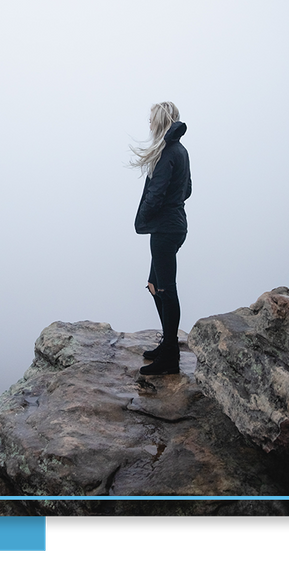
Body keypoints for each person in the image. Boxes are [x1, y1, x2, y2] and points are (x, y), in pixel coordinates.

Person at [129, 101, 192, 375]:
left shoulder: (168, 151)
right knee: (155, 285)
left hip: (165, 230)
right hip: (174, 226)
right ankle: (168, 344)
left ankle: (170, 356)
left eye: (151, 119)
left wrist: (146, 215)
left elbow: (157, 192)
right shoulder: (180, 150)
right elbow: (187, 189)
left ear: (159, 121)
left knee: (166, 289)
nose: (149, 124)